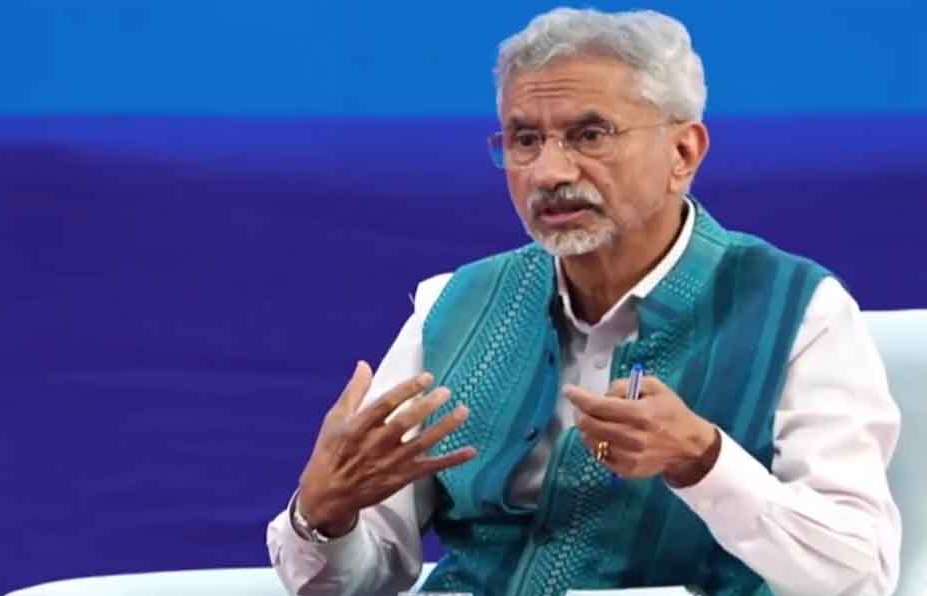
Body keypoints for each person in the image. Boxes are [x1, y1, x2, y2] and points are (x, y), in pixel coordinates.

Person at [267, 7, 901, 596]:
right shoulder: (454, 306)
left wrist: (704, 461)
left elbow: (859, 575)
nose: (549, 173)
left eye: (589, 134)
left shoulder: (799, 311)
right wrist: (322, 516)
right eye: (524, 140)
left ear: (683, 152)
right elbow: (358, 579)